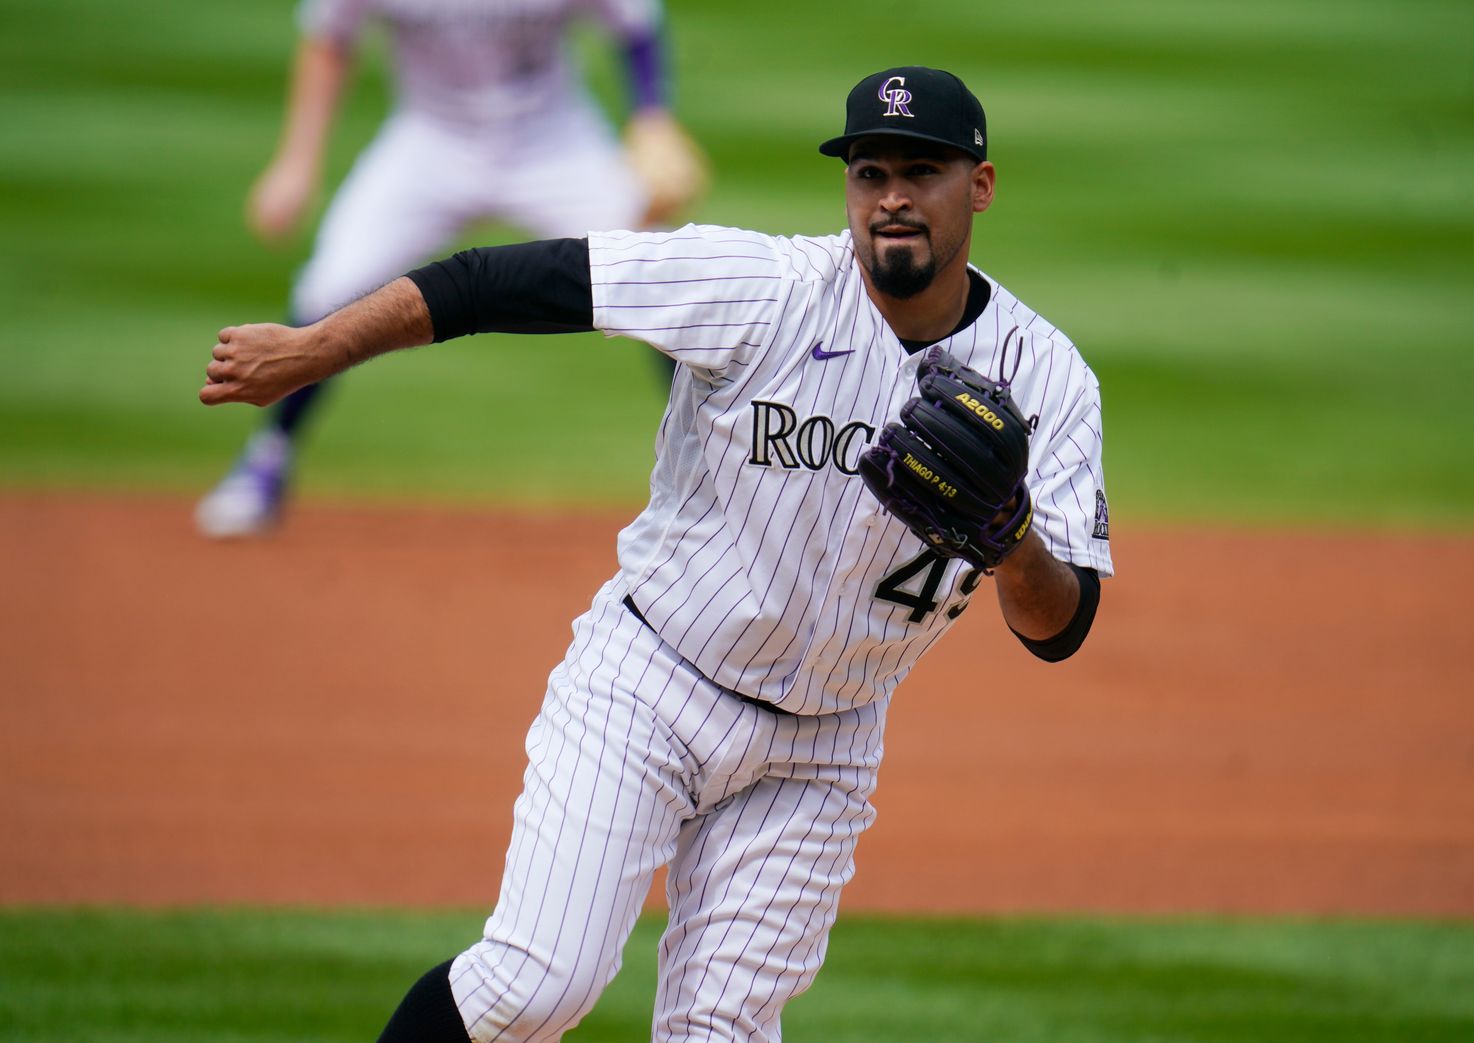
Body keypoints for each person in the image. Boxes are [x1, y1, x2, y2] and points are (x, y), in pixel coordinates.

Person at [200, 66, 1113, 1043]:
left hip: (824, 746)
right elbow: (501, 281)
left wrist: (1011, 540)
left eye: (921, 171)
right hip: (650, 683)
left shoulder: (1047, 377)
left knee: (718, 1032)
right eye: (869, 171)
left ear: (978, 184)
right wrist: (316, 349)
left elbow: (1063, 626)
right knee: (534, 984)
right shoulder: (763, 289)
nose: (890, 196)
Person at [195, 0, 705, 538]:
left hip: (553, 142)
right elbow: (328, 38)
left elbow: (635, 22)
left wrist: (653, 117)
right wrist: (297, 162)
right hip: (431, 144)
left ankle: (713, 471)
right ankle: (266, 460)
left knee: (654, 275)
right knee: (332, 283)